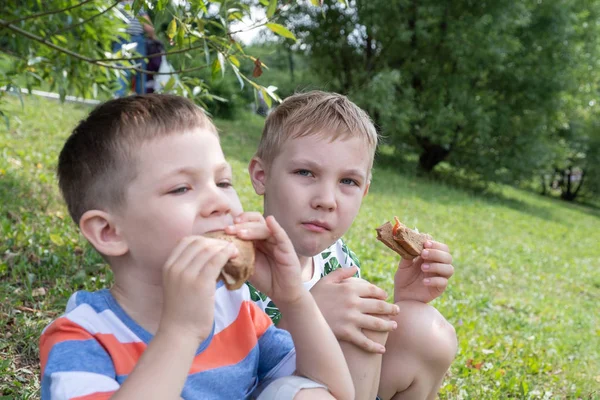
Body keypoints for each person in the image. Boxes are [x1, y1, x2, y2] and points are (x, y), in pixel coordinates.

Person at [39, 94, 354, 400]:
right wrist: (180, 332)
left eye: (223, 183)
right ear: (109, 232)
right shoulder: (82, 338)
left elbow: (334, 391)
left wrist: (293, 298)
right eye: (181, 188)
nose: (218, 202)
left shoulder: (235, 309)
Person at [241, 91, 458, 400]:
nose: (326, 200)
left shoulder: (338, 258)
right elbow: (224, 374)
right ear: (262, 176)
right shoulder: (238, 263)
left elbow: (361, 365)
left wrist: (404, 299)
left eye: (348, 182)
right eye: (305, 172)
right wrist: (305, 318)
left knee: (426, 332)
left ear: (365, 191)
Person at [112, 1, 156, 96]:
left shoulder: (116, 5)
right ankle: (141, 101)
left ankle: (117, 100)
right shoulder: (137, 5)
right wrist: (153, 38)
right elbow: (148, 27)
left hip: (119, 41)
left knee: (121, 74)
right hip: (137, 40)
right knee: (140, 74)